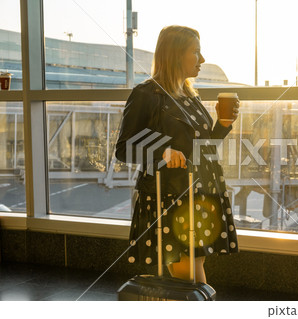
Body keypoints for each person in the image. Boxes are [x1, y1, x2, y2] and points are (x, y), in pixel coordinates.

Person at [115, 25, 239, 284]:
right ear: (174, 55)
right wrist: (162, 151)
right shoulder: (146, 95)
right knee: (190, 278)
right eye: (196, 52)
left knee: (194, 267)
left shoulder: (189, 96)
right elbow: (124, 147)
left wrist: (222, 125)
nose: (202, 60)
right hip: (168, 199)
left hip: (197, 194)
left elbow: (201, 150)